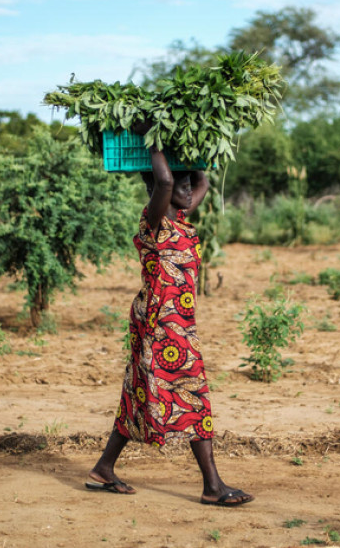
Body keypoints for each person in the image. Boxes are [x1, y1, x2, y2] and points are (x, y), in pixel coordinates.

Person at [86, 147, 254, 507]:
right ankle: (212, 486)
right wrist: (155, 139)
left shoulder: (180, 217)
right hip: (163, 325)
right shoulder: (154, 220)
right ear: (159, 190)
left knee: (137, 393)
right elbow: (164, 179)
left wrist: (193, 150)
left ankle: (104, 468)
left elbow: (203, 181)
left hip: (170, 321)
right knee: (193, 392)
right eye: (182, 185)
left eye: (189, 184)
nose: (190, 189)